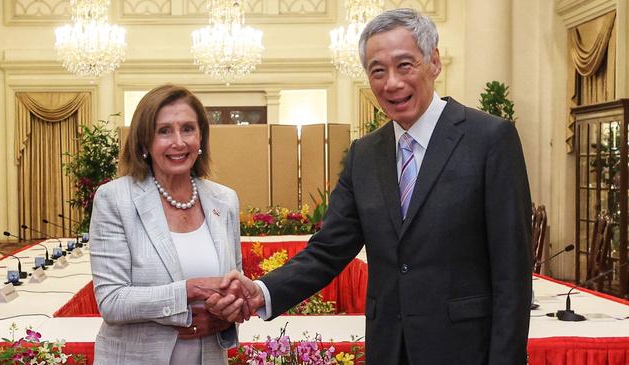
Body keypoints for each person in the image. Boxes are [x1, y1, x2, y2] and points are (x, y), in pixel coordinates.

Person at [208, 8, 532, 365]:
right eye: (378, 70)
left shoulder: (489, 139)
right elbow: (328, 250)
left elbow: (512, 275)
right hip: (388, 348)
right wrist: (261, 292)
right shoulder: (365, 154)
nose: (391, 83)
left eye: (405, 65)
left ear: (434, 62)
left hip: (465, 350)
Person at [90, 84, 247, 365]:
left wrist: (227, 317)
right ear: (143, 142)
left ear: (201, 137)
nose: (179, 142)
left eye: (188, 128)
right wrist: (191, 289)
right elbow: (112, 301)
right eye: (164, 131)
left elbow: (233, 287)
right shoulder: (115, 199)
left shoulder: (224, 200)